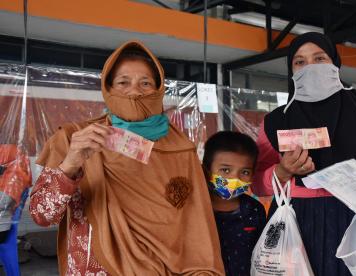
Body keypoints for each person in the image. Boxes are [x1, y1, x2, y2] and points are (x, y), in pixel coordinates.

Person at [29, 40, 224, 276]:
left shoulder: (181, 149)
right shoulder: (75, 138)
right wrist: (71, 164)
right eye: (123, 82)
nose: (134, 92)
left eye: (145, 83)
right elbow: (42, 215)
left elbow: (197, 224)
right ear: (108, 88)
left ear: (159, 88)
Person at [252, 32, 356, 276]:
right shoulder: (275, 121)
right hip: (299, 222)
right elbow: (257, 184)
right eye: (300, 62)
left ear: (335, 63)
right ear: (291, 70)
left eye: (319, 58)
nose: (309, 68)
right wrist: (282, 171)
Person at [202, 131, 266, 276]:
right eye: (225, 170)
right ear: (206, 170)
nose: (234, 178)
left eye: (244, 172)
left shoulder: (255, 210)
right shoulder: (195, 209)